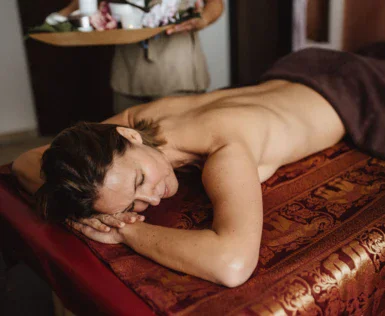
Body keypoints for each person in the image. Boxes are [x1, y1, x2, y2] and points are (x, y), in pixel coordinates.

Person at [12, 46, 385, 287]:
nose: (151, 199)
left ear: (131, 137)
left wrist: (126, 232)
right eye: (130, 206)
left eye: (141, 179)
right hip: (300, 71)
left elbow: (233, 264)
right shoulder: (134, 123)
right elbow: (25, 163)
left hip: (358, 90)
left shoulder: (223, 150)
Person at [51, 0, 224, 113]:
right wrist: (58, 18)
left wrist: (204, 18)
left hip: (177, 68)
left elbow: (215, 3)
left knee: (178, 139)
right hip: (127, 70)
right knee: (126, 141)